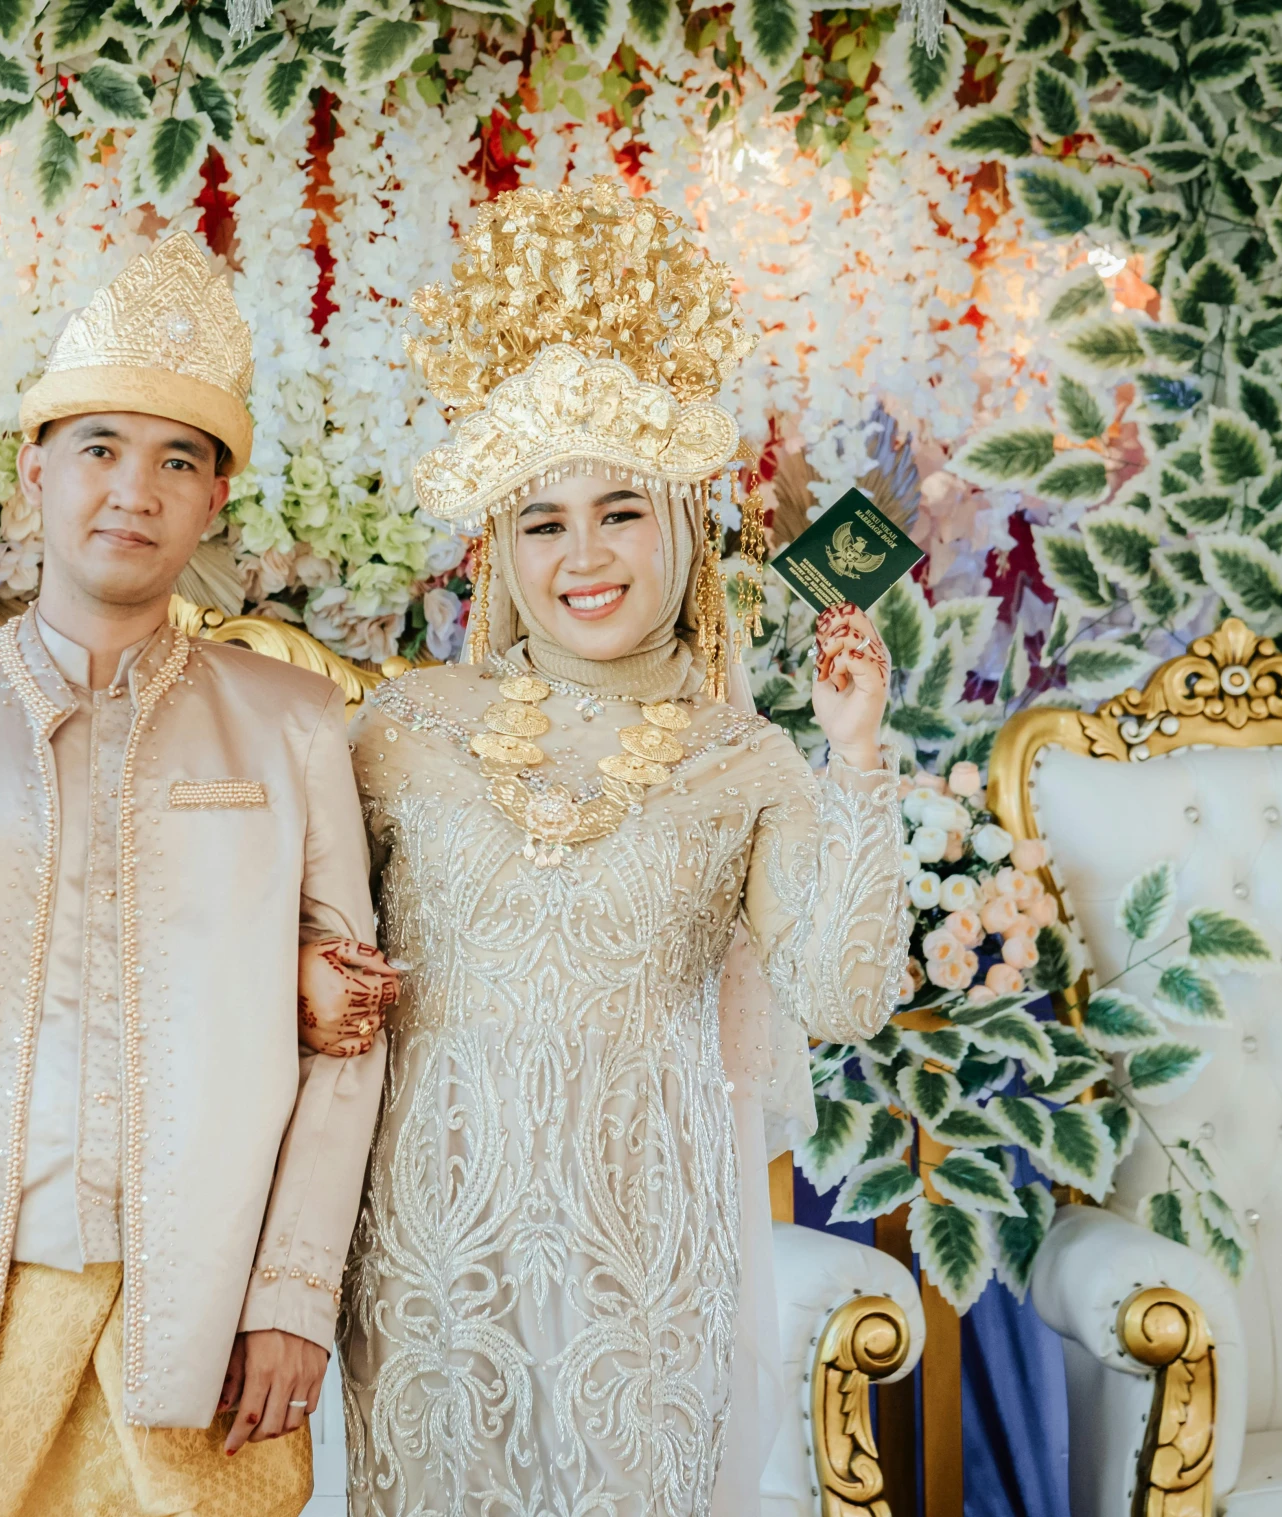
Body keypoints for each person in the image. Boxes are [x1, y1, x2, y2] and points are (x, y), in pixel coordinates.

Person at [0, 231, 395, 1517]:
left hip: (202, 1316)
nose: (135, 490)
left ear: (216, 497)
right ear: (33, 470)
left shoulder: (290, 722)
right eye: (100, 448)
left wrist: (292, 1293)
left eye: (179, 460)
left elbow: (355, 1029)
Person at [340, 180, 911, 1517]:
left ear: (682, 528)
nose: (581, 555)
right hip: (425, 1257)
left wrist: (855, 753)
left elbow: (840, 994)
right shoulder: (405, 726)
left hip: (642, 1263)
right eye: (541, 520)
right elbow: (285, 935)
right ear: (496, 549)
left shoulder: (742, 758)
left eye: (619, 510)